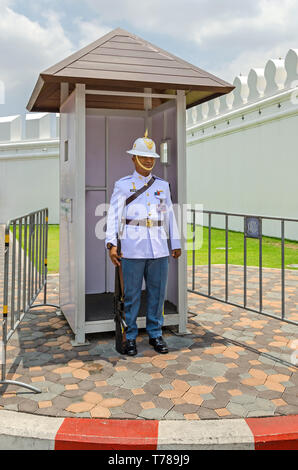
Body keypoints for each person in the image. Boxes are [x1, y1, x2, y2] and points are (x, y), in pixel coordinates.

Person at [105, 131, 181, 356]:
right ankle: (130, 338)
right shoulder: (123, 185)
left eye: (151, 157)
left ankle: (155, 334)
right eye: (143, 156)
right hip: (132, 246)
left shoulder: (163, 185)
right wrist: (111, 244)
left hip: (158, 246)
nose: (148, 161)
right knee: (131, 296)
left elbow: (169, 216)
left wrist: (174, 242)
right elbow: (113, 216)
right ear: (133, 158)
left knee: (157, 295)